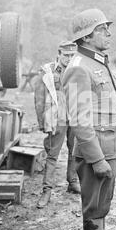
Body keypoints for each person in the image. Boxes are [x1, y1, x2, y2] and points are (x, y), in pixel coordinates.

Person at [62, 9, 116, 230]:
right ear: (87, 36)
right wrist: (97, 159)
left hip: (109, 148)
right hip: (97, 152)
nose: (109, 33)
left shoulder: (97, 61)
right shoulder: (79, 67)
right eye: (102, 29)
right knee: (94, 208)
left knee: (103, 205)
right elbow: (79, 120)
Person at [34, 41, 81, 209]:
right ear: (59, 55)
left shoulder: (78, 71)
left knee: (74, 151)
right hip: (57, 120)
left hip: (75, 119)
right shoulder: (47, 72)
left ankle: (72, 181)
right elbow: (39, 98)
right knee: (52, 156)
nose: (69, 58)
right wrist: (42, 122)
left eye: (72, 55)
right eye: (66, 55)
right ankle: (46, 191)